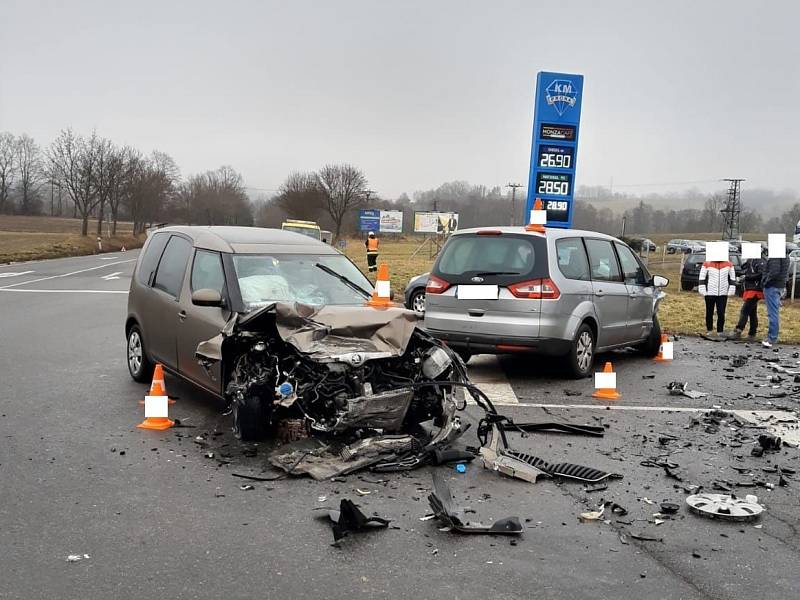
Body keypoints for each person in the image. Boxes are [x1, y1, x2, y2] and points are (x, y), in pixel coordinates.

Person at [730, 252, 766, 341]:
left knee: (745, 310)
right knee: (752, 312)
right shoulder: (752, 260)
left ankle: (738, 330)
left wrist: (747, 277)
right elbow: (745, 268)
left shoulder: (760, 261)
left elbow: (761, 274)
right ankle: (752, 333)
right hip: (750, 288)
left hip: (755, 289)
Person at [698, 255, 736, 337]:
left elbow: (733, 278)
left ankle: (720, 331)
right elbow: (701, 277)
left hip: (723, 293)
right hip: (710, 292)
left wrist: (731, 289)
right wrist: (702, 289)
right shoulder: (706, 263)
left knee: (721, 313)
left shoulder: (729, 264)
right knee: (709, 312)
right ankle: (709, 330)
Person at [761, 250, 789, 348]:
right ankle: (773, 336)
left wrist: (765, 282)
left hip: (772, 286)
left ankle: (772, 337)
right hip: (780, 285)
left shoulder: (776, 255)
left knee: (772, 313)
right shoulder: (785, 255)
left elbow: (774, 272)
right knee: (774, 312)